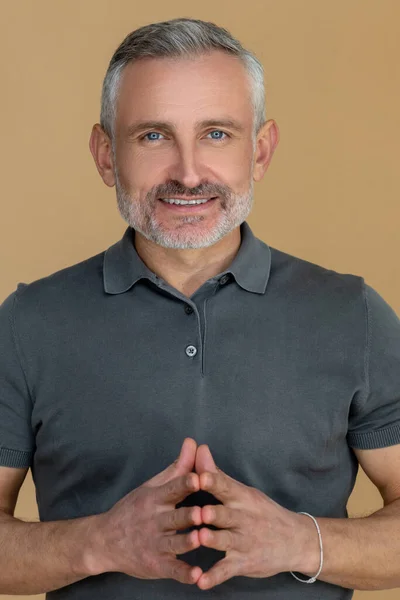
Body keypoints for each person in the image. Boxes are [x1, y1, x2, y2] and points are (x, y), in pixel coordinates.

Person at [0, 17, 400, 600]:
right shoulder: (25, 325)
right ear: (105, 154)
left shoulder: (354, 316)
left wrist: (298, 542)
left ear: (259, 151)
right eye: (153, 136)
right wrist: (100, 544)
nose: (187, 173)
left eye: (216, 134)